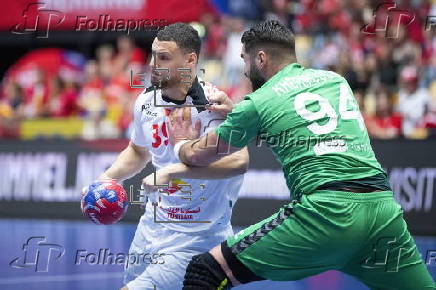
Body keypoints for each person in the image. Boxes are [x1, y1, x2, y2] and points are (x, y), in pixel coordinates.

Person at [165, 20, 436, 289]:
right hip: (382, 213)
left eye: (244, 61)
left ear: (260, 58)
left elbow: (200, 156)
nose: (245, 71)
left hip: (326, 215)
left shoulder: (258, 103)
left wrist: (181, 143)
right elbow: (295, 124)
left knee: (205, 271)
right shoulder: (335, 81)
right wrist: (237, 111)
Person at [84, 23, 248, 290]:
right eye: (153, 55)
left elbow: (237, 163)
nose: (153, 64)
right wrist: (105, 179)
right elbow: (138, 151)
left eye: (164, 58)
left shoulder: (213, 105)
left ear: (190, 60)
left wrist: (172, 171)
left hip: (197, 235)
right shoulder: (146, 102)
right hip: (152, 226)